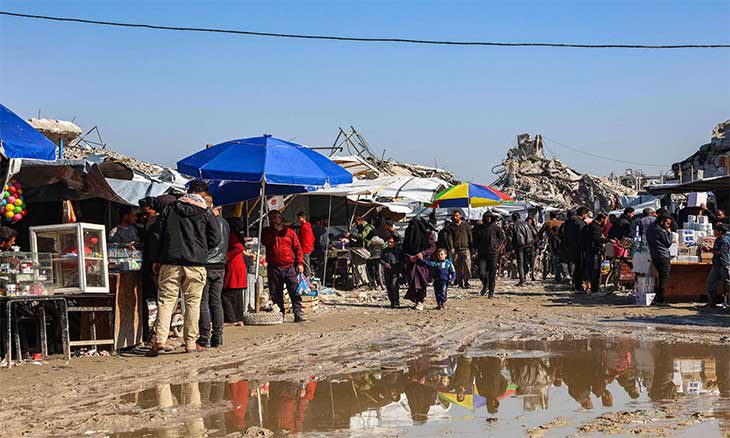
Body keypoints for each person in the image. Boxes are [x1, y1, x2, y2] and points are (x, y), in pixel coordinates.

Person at [147, 180, 220, 356]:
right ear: (203, 194)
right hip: (196, 264)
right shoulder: (205, 212)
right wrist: (201, 249)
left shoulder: (170, 209)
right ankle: (190, 343)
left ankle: (160, 340)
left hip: (170, 262)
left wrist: (155, 258)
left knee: (166, 302)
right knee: (192, 303)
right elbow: (215, 238)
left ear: (188, 190)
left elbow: (157, 235)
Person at [263, 210, 306, 322]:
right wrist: (272, 231)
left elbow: (298, 248)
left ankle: (298, 312)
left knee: (294, 290)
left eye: (276, 217)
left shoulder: (290, 232)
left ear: (281, 218)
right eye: (271, 218)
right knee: (275, 292)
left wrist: (300, 263)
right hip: (274, 267)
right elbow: (265, 242)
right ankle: (279, 313)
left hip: (289, 266)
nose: (274, 220)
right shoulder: (267, 232)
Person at [198, 196, 230, 349]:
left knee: (203, 302)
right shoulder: (225, 223)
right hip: (220, 265)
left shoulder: (206, 222)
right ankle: (218, 335)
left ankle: (205, 336)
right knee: (216, 301)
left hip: (207, 264)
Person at [402, 216, 436, 311]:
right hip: (411, 263)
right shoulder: (408, 233)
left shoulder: (427, 234)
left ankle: (421, 300)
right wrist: (409, 257)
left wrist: (423, 253)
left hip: (423, 263)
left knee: (421, 281)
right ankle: (416, 300)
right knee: (412, 282)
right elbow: (404, 248)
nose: (412, 228)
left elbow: (432, 248)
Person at [473, 212, 505, 298]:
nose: (488, 219)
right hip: (482, 253)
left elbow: (502, 238)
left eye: (490, 217)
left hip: (493, 253)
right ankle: (485, 284)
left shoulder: (496, 228)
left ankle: (491, 291)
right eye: (487, 217)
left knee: (492, 273)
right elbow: (475, 239)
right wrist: (475, 249)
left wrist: (497, 247)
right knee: (481, 272)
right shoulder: (480, 228)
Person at [223, 223, 247, 325]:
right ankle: (238, 318)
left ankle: (231, 319)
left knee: (226, 295)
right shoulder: (235, 235)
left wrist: (226, 257)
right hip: (237, 266)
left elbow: (239, 248)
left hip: (233, 267)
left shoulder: (230, 235)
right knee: (237, 295)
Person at [646, 215, 674, 306]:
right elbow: (668, 243)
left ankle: (658, 298)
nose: (668, 226)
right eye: (667, 224)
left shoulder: (650, 228)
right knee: (664, 278)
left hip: (655, 256)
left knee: (661, 277)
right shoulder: (660, 230)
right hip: (663, 256)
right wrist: (669, 233)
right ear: (662, 222)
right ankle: (660, 299)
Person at [703, 223, 730, 308]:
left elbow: (720, 252)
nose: (714, 231)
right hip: (716, 265)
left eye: (715, 230)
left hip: (724, 264)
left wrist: (709, 250)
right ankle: (711, 304)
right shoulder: (718, 239)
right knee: (711, 284)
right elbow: (715, 250)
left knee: (728, 283)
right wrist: (709, 249)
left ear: (720, 232)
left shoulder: (724, 241)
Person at [562, 208, 588, 291]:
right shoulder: (580, 223)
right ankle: (578, 285)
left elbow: (563, 234)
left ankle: (576, 283)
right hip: (579, 248)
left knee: (575, 265)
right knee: (580, 267)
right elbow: (582, 236)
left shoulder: (567, 223)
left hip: (569, 247)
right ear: (583, 214)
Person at [580, 213, 607, 293]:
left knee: (591, 270)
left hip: (588, 251)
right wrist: (607, 240)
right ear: (602, 219)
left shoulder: (590, 226)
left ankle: (592, 287)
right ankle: (594, 288)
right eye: (606, 220)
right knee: (595, 270)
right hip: (595, 252)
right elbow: (597, 240)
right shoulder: (596, 227)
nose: (606, 222)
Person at [507, 212, 535, 287]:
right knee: (526, 261)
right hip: (529, 244)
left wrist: (508, 248)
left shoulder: (512, 226)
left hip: (519, 245)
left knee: (520, 262)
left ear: (513, 218)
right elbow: (535, 233)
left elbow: (510, 238)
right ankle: (525, 276)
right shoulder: (527, 224)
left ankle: (522, 280)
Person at [447, 210, 473, 288]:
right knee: (457, 266)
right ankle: (460, 281)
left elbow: (470, 236)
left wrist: (471, 247)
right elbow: (450, 238)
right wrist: (451, 247)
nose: (455, 217)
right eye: (454, 216)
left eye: (457, 215)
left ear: (460, 216)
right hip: (456, 249)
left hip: (465, 248)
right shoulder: (451, 226)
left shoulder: (466, 225)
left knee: (467, 265)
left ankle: (466, 281)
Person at [347, 216, 374, 288]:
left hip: (367, 249)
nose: (356, 224)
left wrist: (352, 235)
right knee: (356, 265)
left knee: (360, 265)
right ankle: (360, 281)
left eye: (356, 222)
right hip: (360, 248)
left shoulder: (368, 227)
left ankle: (365, 281)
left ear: (360, 220)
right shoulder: (360, 228)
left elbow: (362, 236)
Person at [381, 236, 403, 308]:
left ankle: (396, 301)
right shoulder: (385, 250)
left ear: (395, 243)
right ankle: (392, 302)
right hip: (387, 271)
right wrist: (385, 264)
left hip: (395, 271)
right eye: (389, 242)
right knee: (388, 286)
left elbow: (401, 260)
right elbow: (381, 259)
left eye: (391, 242)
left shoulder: (398, 250)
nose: (390, 244)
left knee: (394, 285)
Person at [295, 212, 315, 277]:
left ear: (303, 218)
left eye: (299, 218)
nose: (298, 219)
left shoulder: (304, 227)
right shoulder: (308, 226)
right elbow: (312, 238)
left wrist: (300, 248)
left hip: (305, 248)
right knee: (306, 263)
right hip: (308, 247)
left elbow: (304, 239)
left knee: (305, 264)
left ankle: (308, 277)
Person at [525, 217, 539, 281]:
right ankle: (529, 274)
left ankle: (531, 275)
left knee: (531, 261)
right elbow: (536, 237)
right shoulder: (532, 228)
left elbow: (536, 238)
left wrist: (537, 247)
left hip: (530, 246)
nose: (529, 223)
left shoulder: (531, 228)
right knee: (529, 261)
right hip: (529, 246)